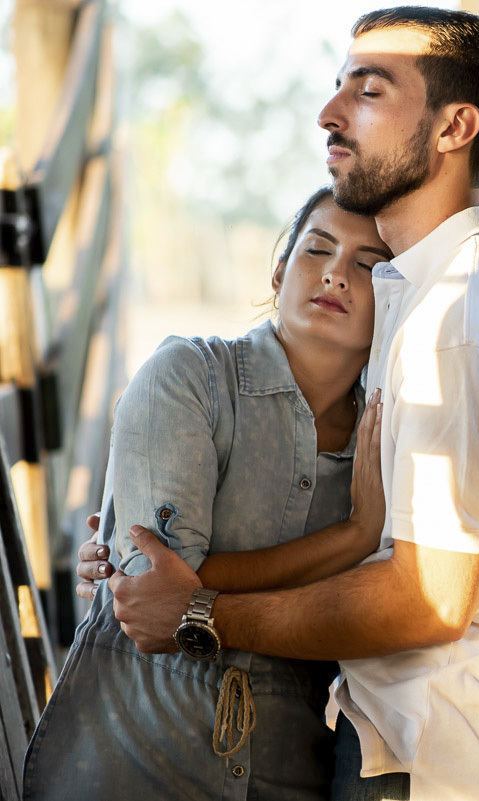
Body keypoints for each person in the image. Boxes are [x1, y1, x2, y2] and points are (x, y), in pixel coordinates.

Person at [78, 7, 479, 801]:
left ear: (455, 127)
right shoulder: (442, 294)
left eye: (369, 92)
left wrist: (204, 610)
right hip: (400, 745)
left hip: (431, 760)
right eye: (339, 86)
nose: (329, 115)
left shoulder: (460, 317)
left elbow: (428, 598)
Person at [26, 187, 394, 800]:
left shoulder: (388, 436)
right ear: (279, 274)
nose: (336, 273)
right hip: (136, 759)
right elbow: (152, 593)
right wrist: (351, 538)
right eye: (318, 249)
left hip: (289, 772)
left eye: (367, 263)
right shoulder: (189, 377)